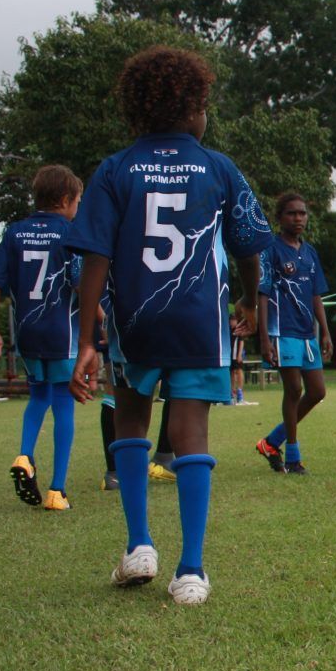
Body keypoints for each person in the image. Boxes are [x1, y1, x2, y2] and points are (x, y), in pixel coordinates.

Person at [65, 45, 271, 605]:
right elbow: (250, 245)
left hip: (136, 319)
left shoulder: (114, 169)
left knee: (131, 421)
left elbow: (94, 257)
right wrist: (251, 302)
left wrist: (86, 340)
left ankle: (139, 546)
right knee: (190, 433)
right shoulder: (218, 166)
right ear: (196, 107)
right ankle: (192, 571)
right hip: (199, 322)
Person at [0, 165, 84, 510]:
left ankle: (25, 456)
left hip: (27, 331)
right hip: (61, 331)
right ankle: (57, 490)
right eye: (78, 200)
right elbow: (82, 284)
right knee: (64, 403)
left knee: (38, 397)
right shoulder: (70, 234)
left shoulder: (14, 233)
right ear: (66, 199)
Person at [255, 193, 330, 476]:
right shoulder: (270, 250)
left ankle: (272, 441)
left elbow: (316, 295)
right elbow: (261, 295)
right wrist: (264, 338)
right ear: (280, 218)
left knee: (317, 391)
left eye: (302, 213)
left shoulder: (309, 252)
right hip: (281, 330)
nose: (298, 218)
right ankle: (293, 456)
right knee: (294, 390)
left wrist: (324, 332)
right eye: (292, 214)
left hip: (306, 332)